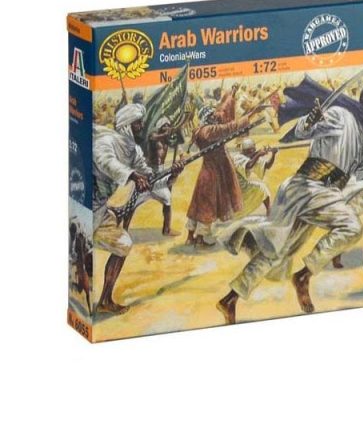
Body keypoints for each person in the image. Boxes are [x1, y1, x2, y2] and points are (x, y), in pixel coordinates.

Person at [217, 77, 363, 324]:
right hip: (307, 188)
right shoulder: (341, 115)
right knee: (350, 227)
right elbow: (303, 131)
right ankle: (304, 276)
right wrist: (310, 121)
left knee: (277, 251)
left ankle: (230, 299)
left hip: (320, 194)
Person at [92, 103, 184, 314]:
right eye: (137, 123)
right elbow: (106, 163)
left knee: (123, 244)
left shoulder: (134, 151)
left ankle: (105, 300)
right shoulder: (105, 142)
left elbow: (151, 180)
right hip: (88, 209)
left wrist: (173, 174)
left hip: (100, 211)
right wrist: (133, 175)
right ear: (127, 125)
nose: (141, 127)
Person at [185, 91, 249, 247]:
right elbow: (229, 127)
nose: (216, 118)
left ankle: (190, 237)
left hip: (206, 172)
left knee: (198, 204)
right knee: (207, 206)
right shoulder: (209, 131)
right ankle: (200, 240)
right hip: (212, 174)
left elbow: (223, 116)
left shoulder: (201, 131)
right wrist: (249, 116)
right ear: (208, 119)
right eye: (212, 117)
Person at [231, 138, 277, 216]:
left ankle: (269, 210)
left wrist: (273, 154)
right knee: (261, 188)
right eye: (250, 151)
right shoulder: (237, 158)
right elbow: (249, 165)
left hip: (243, 184)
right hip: (235, 186)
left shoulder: (253, 158)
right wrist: (258, 154)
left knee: (263, 188)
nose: (252, 152)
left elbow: (267, 166)